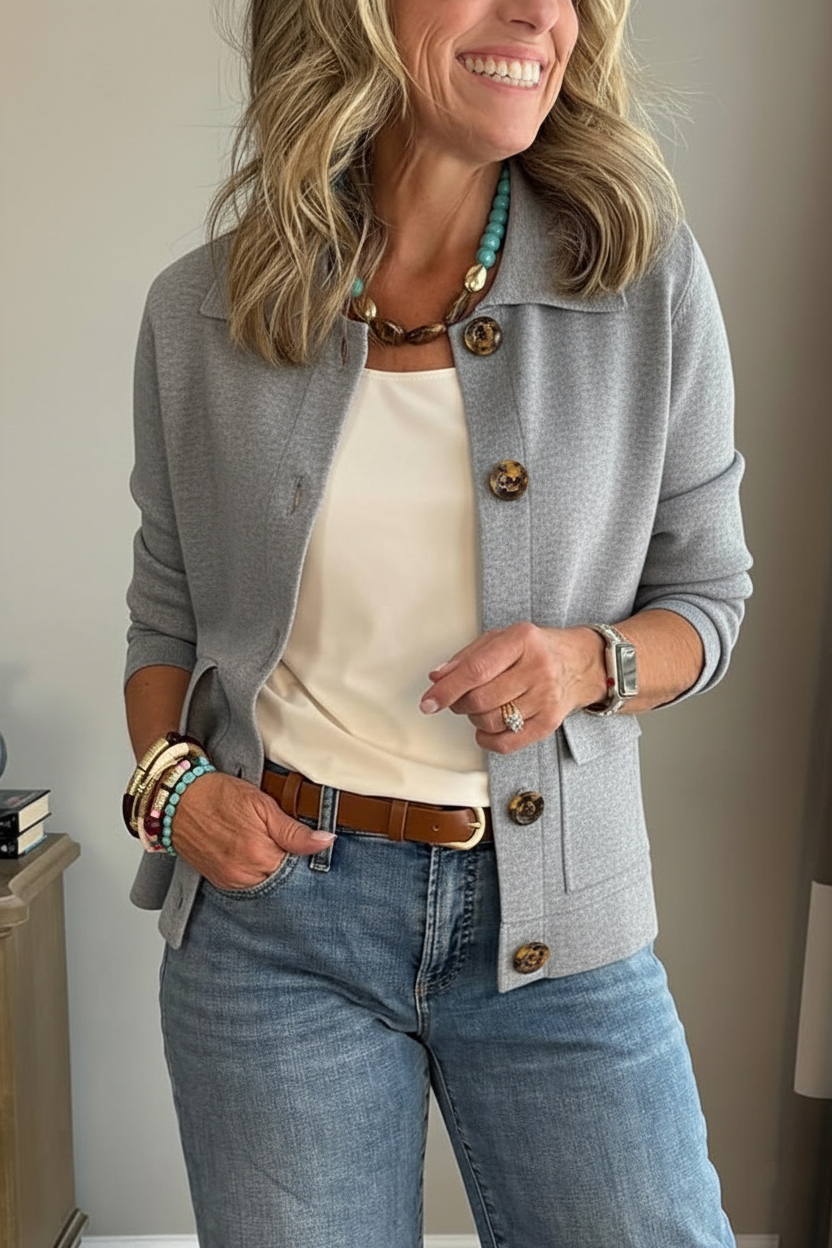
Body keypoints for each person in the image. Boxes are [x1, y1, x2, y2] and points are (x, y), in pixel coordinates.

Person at [122, 0, 752, 1244]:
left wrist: (587, 663)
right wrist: (170, 788)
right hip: (273, 926)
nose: (539, 15)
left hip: (554, 923)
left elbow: (710, 599)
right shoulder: (202, 310)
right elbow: (166, 612)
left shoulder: (642, 284)